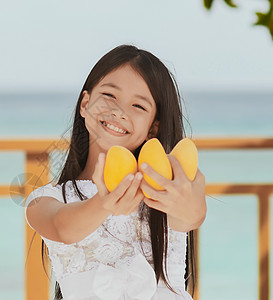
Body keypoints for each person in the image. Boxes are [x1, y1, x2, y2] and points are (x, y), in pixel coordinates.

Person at [24, 44, 207, 300]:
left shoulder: (166, 190)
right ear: (85, 104)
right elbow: (62, 228)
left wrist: (188, 198)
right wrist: (105, 203)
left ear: (153, 128)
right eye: (109, 96)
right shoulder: (44, 201)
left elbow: (191, 216)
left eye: (138, 106)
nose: (119, 112)